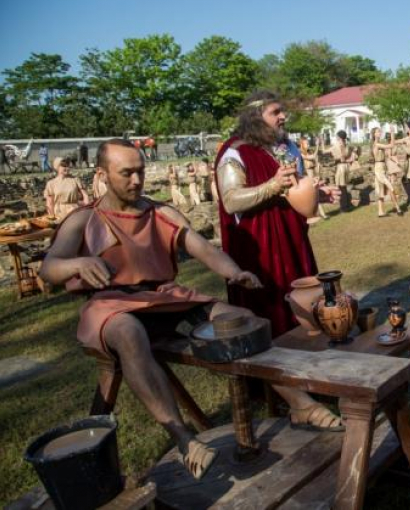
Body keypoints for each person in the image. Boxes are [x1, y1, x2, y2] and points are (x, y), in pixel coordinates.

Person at [39, 138, 265, 480]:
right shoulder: (84, 219)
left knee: (242, 319)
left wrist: (235, 273)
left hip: (164, 298)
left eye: (140, 172)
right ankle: (183, 437)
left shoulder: (160, 212)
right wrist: (76, 264)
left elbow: (203, 249)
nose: (136, 180)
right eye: (126, 173)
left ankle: (299, 404)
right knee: (128, 332)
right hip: (112, 305)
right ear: (102, 174)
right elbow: (49, 268)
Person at [216, 91, 344, 429]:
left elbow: (297, 189)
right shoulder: (234, 152)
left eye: (282, 111)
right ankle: (276, 382)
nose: (283, 117)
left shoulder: (286, 147)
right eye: (276, 112)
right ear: (256, 116)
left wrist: (321, 193)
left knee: (304, 299)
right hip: (257, 248)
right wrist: (272, 185)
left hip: (291, 237)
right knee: (268, 307)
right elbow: (231, 201)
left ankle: (311, 373)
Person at [370, 127, 403, 217]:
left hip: (382, 167)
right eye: (377, 131)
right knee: (390, 187)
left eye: (380, 131)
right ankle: (398, 209)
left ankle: (380, 212)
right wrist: (392, 133)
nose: (380, 132)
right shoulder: (376, 144)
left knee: (381, 190)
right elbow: (391, 145)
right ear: (374, 134)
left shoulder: (379, 143)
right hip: (379, 168)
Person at [299, 136, 328, 220]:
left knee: (316, 196)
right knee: (313, 197)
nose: (308, 144)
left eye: (308, 143)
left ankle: (321, 214)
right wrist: (317, 146)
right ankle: (317, 214)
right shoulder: (301, 153)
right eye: (306, 143)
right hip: (308, 178)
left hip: (313, 177)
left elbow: (315, 159)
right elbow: (312, 157)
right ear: (302, 144)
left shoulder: (309, 151)